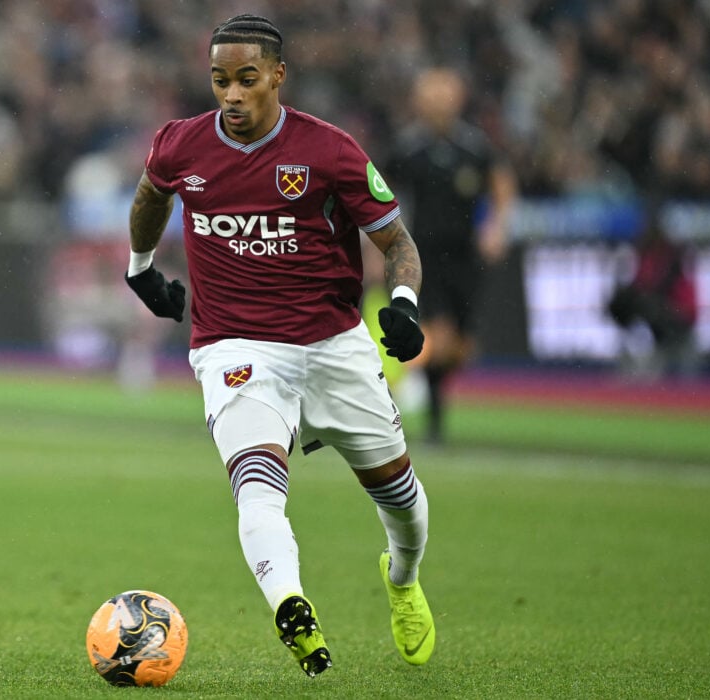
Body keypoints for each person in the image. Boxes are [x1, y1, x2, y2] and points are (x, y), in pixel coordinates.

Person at [123, 15, 434, 677]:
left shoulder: (329, 151)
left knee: (402, 501)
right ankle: (291, 605)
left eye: (246, 79)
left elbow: (397, 241)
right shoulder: (180, 145)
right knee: (256, 484)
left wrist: (405, 304)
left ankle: (403, 579)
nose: (231, 95)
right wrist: (140, 267)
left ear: (277, 76)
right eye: (219, 81)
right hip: (235, 346)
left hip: (334, 346)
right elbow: (151, 194)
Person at [386, 67, 518, 444]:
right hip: (423, 256)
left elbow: (502, 184)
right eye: (431, 97)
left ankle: (419, 394)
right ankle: (421, 414)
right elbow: (380, 190)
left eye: (444, 96)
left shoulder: (474, 147)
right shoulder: (408, 148)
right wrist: (382, 241)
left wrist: (497, 226)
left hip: (465, 256)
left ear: (458, 100)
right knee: (439, 336)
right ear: (419, 102)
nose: (438, 104)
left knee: (462, 348)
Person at [607, 215, 699, 378]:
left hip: (677, 313)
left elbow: (669, 290)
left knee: (650, 308)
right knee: (630, 305)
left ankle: (652, 365)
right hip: (659, 310)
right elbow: (640, 286)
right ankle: (636, 364)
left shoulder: (671, 258)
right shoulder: (646, 256)